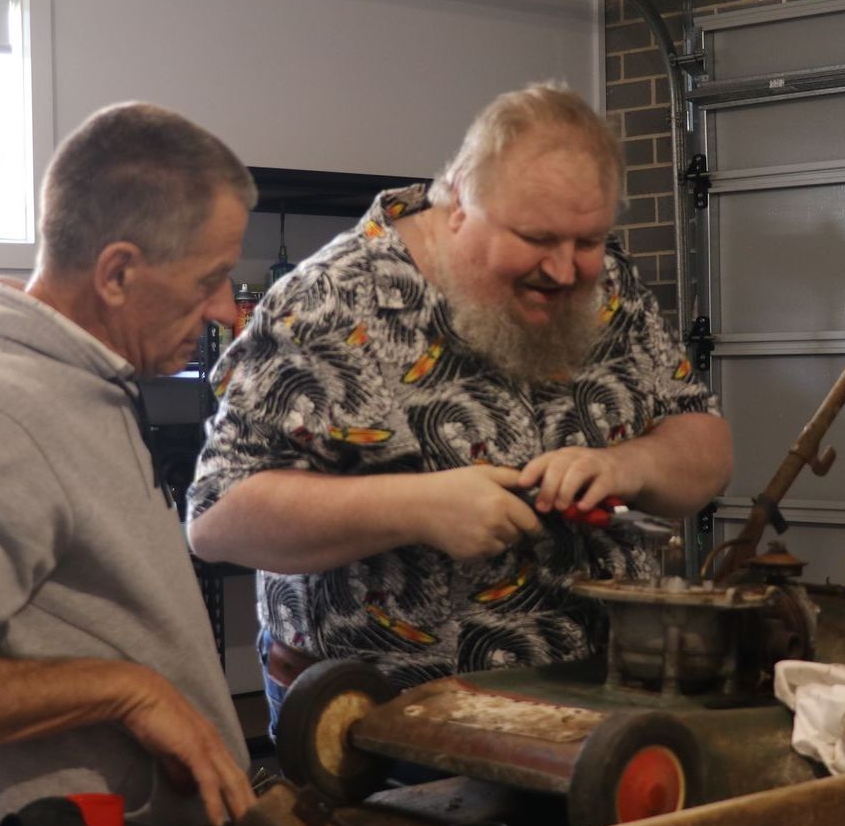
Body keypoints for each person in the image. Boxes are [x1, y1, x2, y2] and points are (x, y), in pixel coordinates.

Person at [188, 82, 733, 730]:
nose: (564, 272)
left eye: (586, 241)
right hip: (384, 722)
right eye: (536, 238)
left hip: (602, 703)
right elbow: (217, 520)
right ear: (456, 208)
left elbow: (706, 446)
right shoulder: (331, 303)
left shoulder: (608, 286)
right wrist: (416, 508)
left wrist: (628, 465)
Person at [0, 103, 257, 826]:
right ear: (118, 274)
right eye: (209, 280)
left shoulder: (88, 377)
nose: (226, 310)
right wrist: (123, 692)